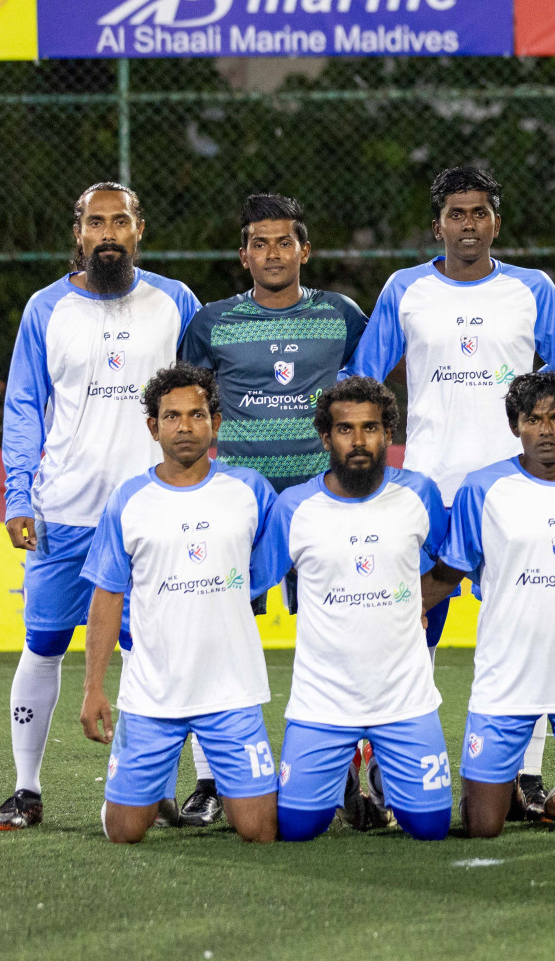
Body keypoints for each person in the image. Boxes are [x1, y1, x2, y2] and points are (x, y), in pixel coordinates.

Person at [343, 166, 555, 817]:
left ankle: (523, 777)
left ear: (494, 222)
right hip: (430, 500)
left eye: (479, 213)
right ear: (437, 223)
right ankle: (384, 770)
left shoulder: (532, 290)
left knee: (527, 638)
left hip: (516, 498)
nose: (468, 224)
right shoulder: (406, 289)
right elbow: (363, 381)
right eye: (456, 213)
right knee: (406, 637)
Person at [0, 183, 201, 831]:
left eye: (121, 220)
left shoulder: (176, 303)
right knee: (44, 644)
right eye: (95, 222)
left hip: (153, 516)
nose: (108, 232)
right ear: (77, 233)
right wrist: (19, 494)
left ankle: (158, 790)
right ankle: (27, 789)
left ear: (140, 230)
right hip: (64, 512)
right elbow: (24, 406)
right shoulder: (45, 309)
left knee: (156, 652)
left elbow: (202, 400)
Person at [177, 192, 369, 827]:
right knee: (218, 637)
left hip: (323, 503)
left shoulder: (342, 315)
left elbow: (365, 395)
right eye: (259, 243)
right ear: (243, 256)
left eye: (284, 241)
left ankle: (348, 777)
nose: (272, 253)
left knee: (337, 634)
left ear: (304, 250)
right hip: (237, 504)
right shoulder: (211, 322)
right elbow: (189, 401)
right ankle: (210, 781)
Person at [422, 371, 555, 839]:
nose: (545, 429)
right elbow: (449, 570)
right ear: (515, 425)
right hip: (506, 678)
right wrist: (397, 609)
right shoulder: (483, 488)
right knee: (481, 826)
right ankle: (514, 790)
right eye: (533, 418)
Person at [76, 365, 278, 844]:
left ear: (216, 422)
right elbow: (106, 596)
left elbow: (281, 568)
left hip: (232, 692)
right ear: (153, 427)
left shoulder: (250, 491)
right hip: (151, 696)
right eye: (171, 416)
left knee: (259, 830)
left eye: (196, 414)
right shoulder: (128, 499)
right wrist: (92, 687)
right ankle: (149, 792)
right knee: (123, 833)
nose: (184, 426)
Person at [251, 377, 453, 841]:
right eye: (345, 430)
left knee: (431, 828)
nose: (359, 441)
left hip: (405, 698)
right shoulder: (295, 507)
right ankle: (339, 781)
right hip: (322, 700)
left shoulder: (419, 493)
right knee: (298, 828)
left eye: (371, 428)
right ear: (326, 437)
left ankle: (381, 776)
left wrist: (420, 600)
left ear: (388, 434)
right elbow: (252, 583)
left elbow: (455, 561)